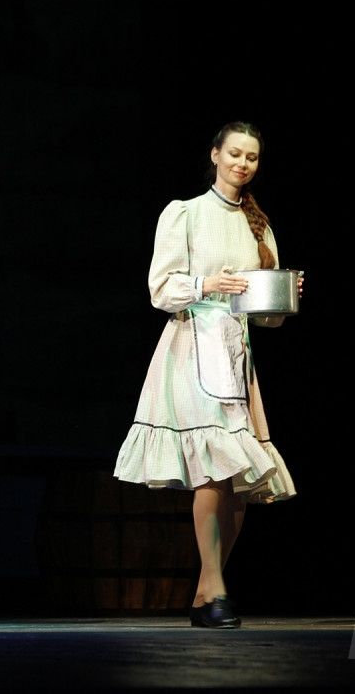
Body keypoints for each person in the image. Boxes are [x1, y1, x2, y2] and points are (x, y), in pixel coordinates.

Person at [114, 121, 299, 629]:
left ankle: (206, 590)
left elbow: (268, 318)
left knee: (240, 482)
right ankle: (216, 589)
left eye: (252, 157)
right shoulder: (185, 213)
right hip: (192, 346)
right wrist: (206, 283)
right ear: (216, 155)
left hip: (236, 355)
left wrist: (282, 297)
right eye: (235, 153)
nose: (243, 164)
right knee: (214, 469)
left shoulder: (259, 226)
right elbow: (161, 289)